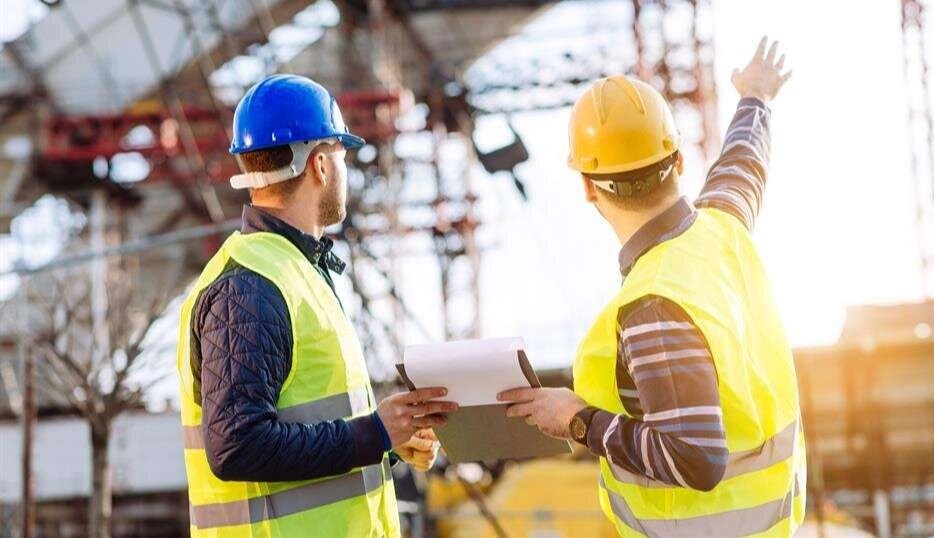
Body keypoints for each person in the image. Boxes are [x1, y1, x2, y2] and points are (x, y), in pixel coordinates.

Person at [499, 38, 806, 536]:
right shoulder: (720, 230)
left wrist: (578, 420)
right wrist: (755, 98)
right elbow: (743, 166)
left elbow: (695, 459)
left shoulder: (654, 304)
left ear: (587, 187)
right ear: (679, 162)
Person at [176, 74, 457, 537]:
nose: (345, 170)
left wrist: (388, 443)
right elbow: (236, 446)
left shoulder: (291, 270)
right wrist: (376, 433)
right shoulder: (250, 286)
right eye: (343, 155)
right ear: (321, 165)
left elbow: (306, 425)